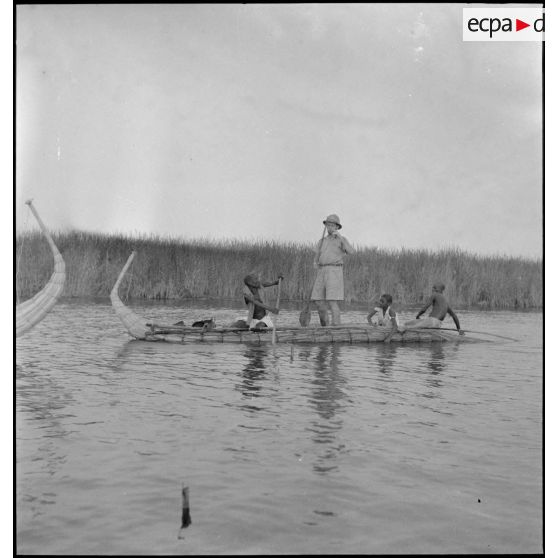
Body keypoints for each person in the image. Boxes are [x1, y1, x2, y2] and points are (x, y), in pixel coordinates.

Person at [310, 214, 355, 326]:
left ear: (336, 227)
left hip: (334, 271)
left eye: (332, 225)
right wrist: (315, 262)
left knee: (332, 301)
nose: (329, 227)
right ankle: (325, 326)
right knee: (318, 301)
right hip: (322, 270)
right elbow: (317, 254)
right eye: (328, 225)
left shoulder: (342, 239)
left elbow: (351, 251)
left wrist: (340, 237)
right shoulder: (322, 240)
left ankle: (336, 327)